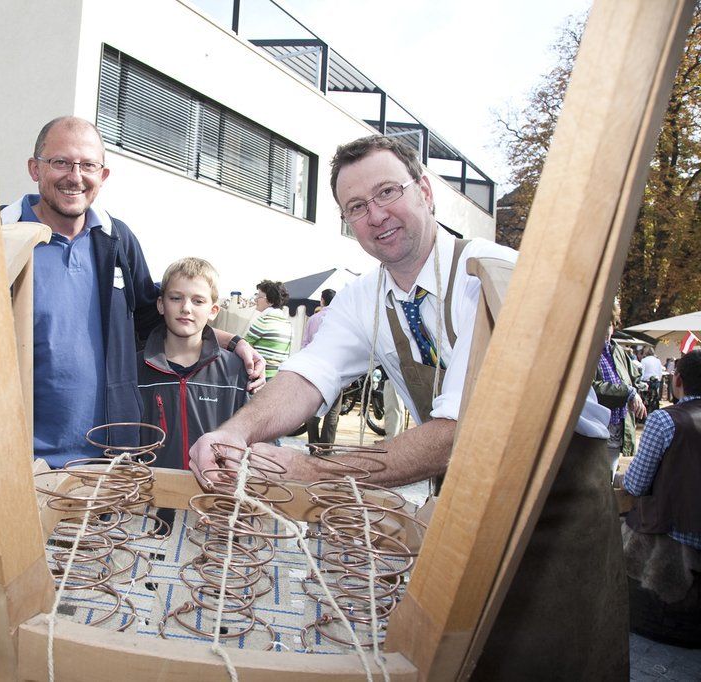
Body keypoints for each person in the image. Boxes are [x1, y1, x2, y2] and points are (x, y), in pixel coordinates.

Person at [189, 134, 625, 679]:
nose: (376, 215)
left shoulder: (494, 277)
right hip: (468, 508)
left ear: (425, 191)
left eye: (387, 192)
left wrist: (312, 472)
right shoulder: (365, 296)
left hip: (557, 506)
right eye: (356, 206)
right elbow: (308, 373)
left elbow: (462, 433)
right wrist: (236, 432)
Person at [0, 116, 262, 468]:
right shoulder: (0, 235)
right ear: (35, 168)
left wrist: (232, 342)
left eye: (88, 165)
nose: (75, 176)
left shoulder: (116, 239)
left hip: (108, 459)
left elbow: (155, 318)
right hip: (16, 457)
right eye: (61, 162)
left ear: (103, 175)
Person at [138, 257, 249, 469]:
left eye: (198, 301)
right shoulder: (134, 371)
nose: (186, 308)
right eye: (176, 298)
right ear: (161, 305)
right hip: (152, 488)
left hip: (218, 489)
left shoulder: (236, 373)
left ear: (213, 310)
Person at [622, 349, 701, 645]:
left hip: (671, 536)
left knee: (627, 526)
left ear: (677, 380)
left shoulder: (664, 420)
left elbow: (636, 484)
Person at [594, 318, 646, 471]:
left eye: (609, 323)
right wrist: (628, 392)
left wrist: (638, 389)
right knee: (594, 475)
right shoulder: (587, 351)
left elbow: (633, 378)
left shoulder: (618, 350)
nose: (605, 328)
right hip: (595, 425)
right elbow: (589, 387)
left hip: (618, 426)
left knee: (610, 472)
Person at [303, 289, 342, 444]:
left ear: (322, 300)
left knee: (313, 409)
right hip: (336, 371)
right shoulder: (340, 320)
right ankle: (326, 449)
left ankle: (313, 445)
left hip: (315, 370)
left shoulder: (313, 319)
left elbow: (305, 345)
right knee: (332, 412)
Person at [245, 279, 292, 381]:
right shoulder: (287, 323)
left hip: (260, 376)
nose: (256, 299)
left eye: (259, 296)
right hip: (278, 377)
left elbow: (245, 347)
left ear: (270, 301)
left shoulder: (264, 321)